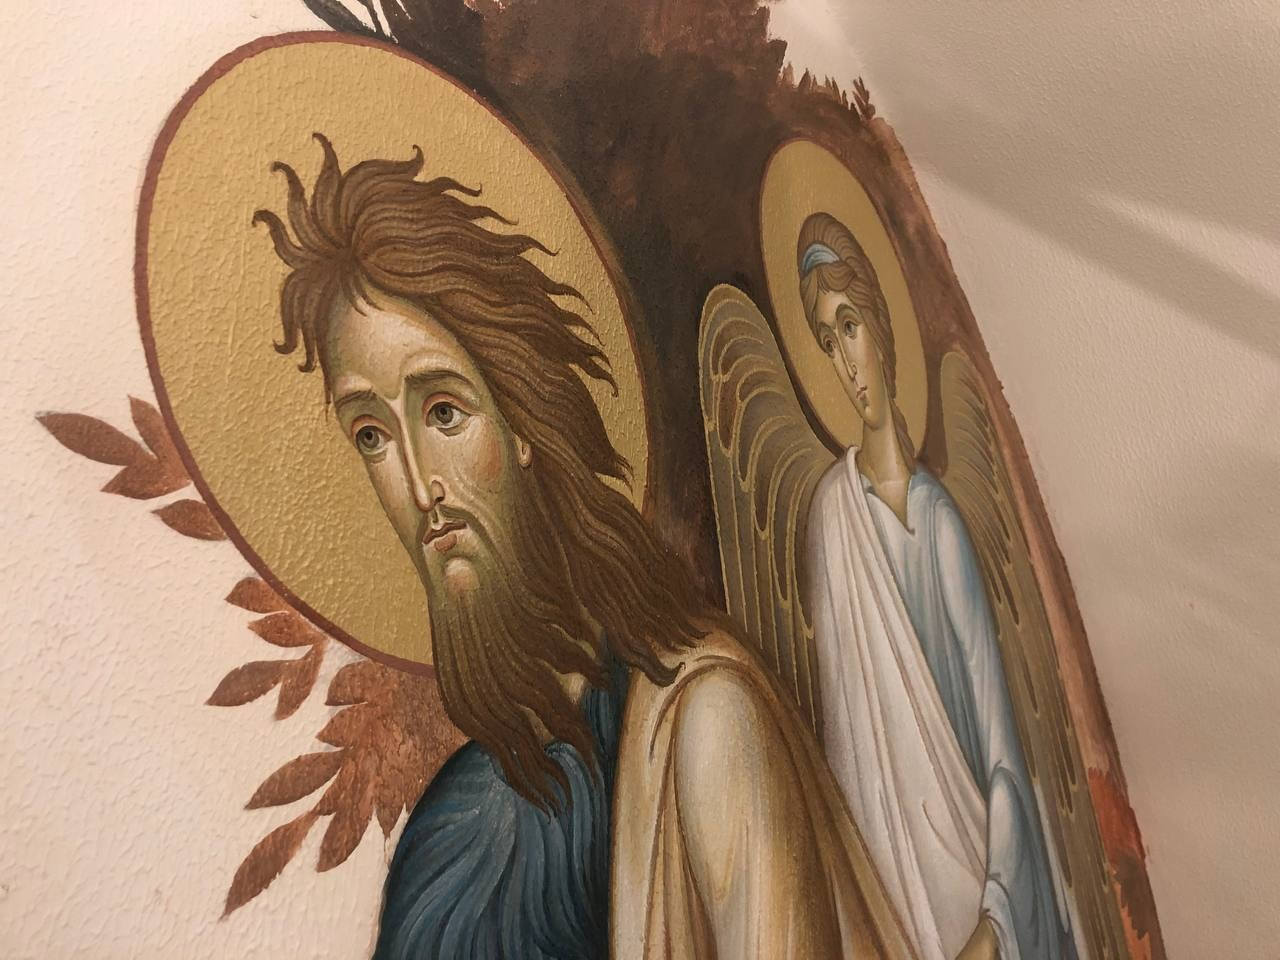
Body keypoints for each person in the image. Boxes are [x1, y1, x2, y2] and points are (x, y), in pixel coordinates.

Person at [254, 136, 913, 960]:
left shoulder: (703, 726)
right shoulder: (440, 840)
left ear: (523, 424)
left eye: (444, 411)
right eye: (371, 435)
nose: (420, 486)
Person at [798, 212, 1075, 960]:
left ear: (880, 326)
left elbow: (1001, 753)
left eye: (849, 326)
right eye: (826, 341)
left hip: (976, 893)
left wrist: (995, 919)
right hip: (893, 908)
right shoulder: (832, 519)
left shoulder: (942, 524)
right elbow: (846, 757)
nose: (845, 363)